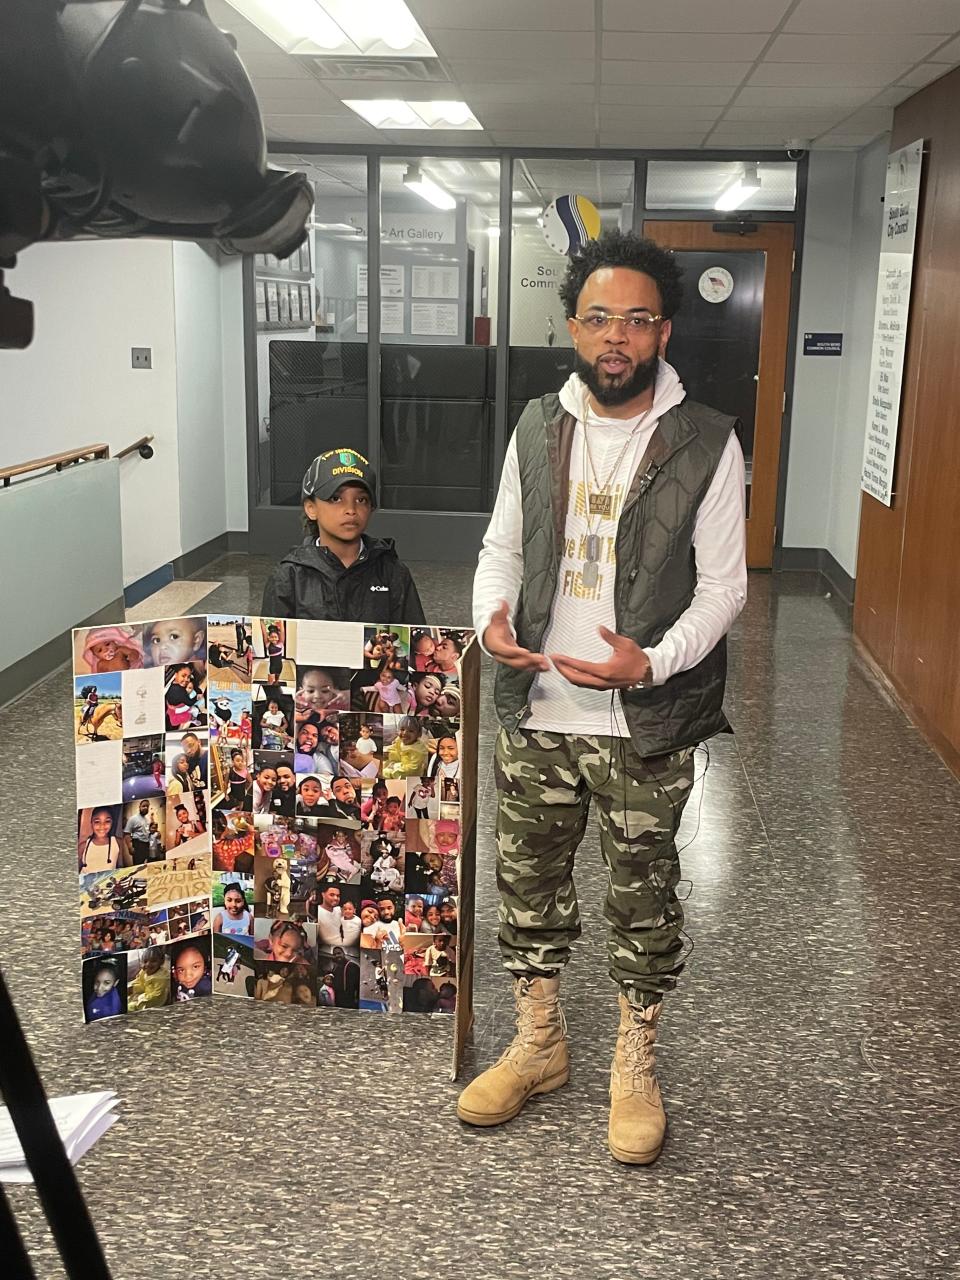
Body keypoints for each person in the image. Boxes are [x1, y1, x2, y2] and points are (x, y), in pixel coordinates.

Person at [457, 231, 747, 1166]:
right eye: (596, 319)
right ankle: (541, 1045)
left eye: (634, 319)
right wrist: (490, 623)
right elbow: (501, 546)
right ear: (573, 327)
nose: (613, 337)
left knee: (644, 898)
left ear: (662, 330)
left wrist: (652, 663)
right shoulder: (537, 425)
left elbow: (725, 589)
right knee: (528, 888)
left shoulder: (707, 440)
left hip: (642, 722)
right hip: (536, 704)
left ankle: (635, 1060)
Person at [260, 448, 426, 622]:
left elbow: (415, 642)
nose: (351, 510)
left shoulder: (392, 573)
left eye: (361, 500)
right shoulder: (288, 577)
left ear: (371, 508)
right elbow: (274, 641)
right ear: (311, 508)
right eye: (335, 499)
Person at [79, 807, 124, 871]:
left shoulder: (118, 842)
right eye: (97, 822)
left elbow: (121, 867)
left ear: (112, 823)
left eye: (107, 821)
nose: (102, 826)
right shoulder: (83, 846)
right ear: (91, 823)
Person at [123, 799, 153, 865]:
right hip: (138, 845)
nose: (145, 807)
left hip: (146, 845)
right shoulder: (133, 819)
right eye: (143, 806)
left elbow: (148, 831)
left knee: (146, 864)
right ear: (139, 807)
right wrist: (130, 848)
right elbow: (126, 834)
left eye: (147, 806)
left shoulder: (148, 819)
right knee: (138, 866)